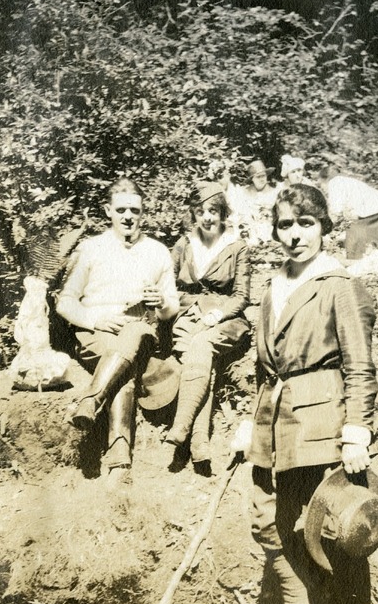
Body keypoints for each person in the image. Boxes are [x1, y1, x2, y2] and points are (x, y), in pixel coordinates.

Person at [245, 183, 378, 604]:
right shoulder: (273, 286)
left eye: (306, 223)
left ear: (325, 227)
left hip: (324, 425)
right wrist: (250, 421)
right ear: (275, 230)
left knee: (335, 538)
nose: (295, 234)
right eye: (285, 224)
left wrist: (355, 432)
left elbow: (361, 366)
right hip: (276, 423)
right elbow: (264, 367)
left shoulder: (338, 284)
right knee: (275, 525)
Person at [56, 177, 179, 473]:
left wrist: (161, 301)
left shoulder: (157, 251)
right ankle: (119, 451)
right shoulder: (91, 248)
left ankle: (92, 398)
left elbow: (171, 308)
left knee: (134, 330)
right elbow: (65, 301)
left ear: (142, 214)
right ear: (108, 211)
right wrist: (94, 319)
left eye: (134, 211)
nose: (128, 217)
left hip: (142, 331)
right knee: (125, 370)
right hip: (97, 334)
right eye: (121, 210)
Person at [166, 182, 251, 470]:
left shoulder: (236, 247)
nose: (206, 217)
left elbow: (241, 295)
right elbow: (166, 285)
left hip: (224, 320)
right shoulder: (183, 245)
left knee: (199, 349)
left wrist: (218, 315)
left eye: (213, 211)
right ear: (193, 214)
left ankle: (182, 427)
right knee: (203, 364)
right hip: (187, 317)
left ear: (223, 213)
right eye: (200, 211)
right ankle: (199, 441)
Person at [320, 165, 378, 264]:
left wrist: (324, 231)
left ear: (324, 179)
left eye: (321, 185)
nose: (324, 190)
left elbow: (335, 211)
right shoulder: (347, 182)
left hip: (373, 211)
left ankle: (355, 265)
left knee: (354, 239)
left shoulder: (334, 182)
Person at [241, 159, 277, 244]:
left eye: (263, 176)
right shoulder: (245, 193)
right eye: (258, 177)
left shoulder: (274, 192)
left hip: (270, 230)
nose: (261, 179)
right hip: (251, 231)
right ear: (252, 179)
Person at [206, 160, 246, 236]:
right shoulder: (220, 195)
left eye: (220, 177)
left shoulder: (240, 192)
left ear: (228, 174)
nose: (217, 182)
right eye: (214, 180)